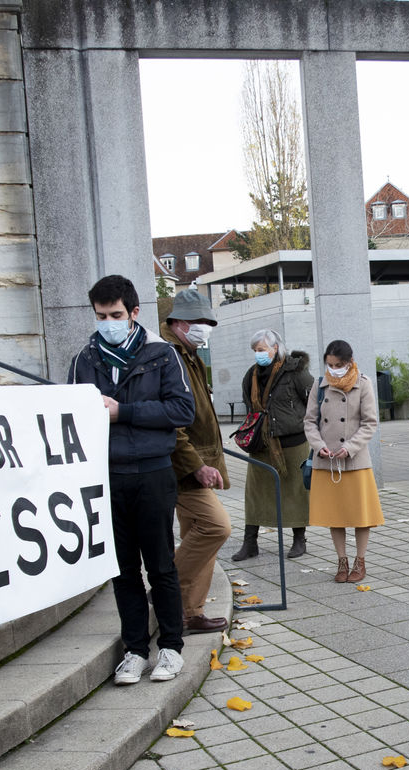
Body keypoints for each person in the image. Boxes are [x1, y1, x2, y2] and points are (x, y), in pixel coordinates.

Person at [67, 274, 196, 685]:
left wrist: (123, 412)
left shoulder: (161, 354)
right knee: (123, 571)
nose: (108, 322)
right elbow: (70, 416)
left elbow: (182, 410)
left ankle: (171, 647)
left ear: (134, 312)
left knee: (160, 566)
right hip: (108, 477)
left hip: (152, 473)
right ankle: (135, 649)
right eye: (101, 315)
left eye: (115, 315)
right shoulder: (84, 359)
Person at [159, 289, 229, 634]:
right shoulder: (169, 356)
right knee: (216, 527)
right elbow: (173, 422)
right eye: (199, 321)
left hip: (195, 463)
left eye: (208, 321)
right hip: (183, 466)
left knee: (198, 536)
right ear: (179, 323)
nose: (206, 328)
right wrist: (197, 465)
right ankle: (164, 591)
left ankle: (190, 612)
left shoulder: (189, 355)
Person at [304, 340, 385, 583]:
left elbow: (370, 423)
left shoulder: (363, 383)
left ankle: (360, 561)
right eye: (330, 365)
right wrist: (318, 446)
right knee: (334, 514)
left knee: (361, 515)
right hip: (327, 461)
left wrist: (349, 448)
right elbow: (309, 421)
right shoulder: (319, 384)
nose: (334, 369)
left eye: (338, 365)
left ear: (349, 362)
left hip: (355, 460)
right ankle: (342, 561)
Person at [231, 329, 312, 561]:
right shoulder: (252, 374)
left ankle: (299, 540)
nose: (258, 354)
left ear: (275, 348)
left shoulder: (295, 371)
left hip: (293, 442)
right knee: (255, 493)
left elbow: (312, 401)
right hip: (262, 443)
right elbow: (249, 404)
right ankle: (250, 543)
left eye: (261, 349)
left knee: (295, 492)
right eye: (255, 350)